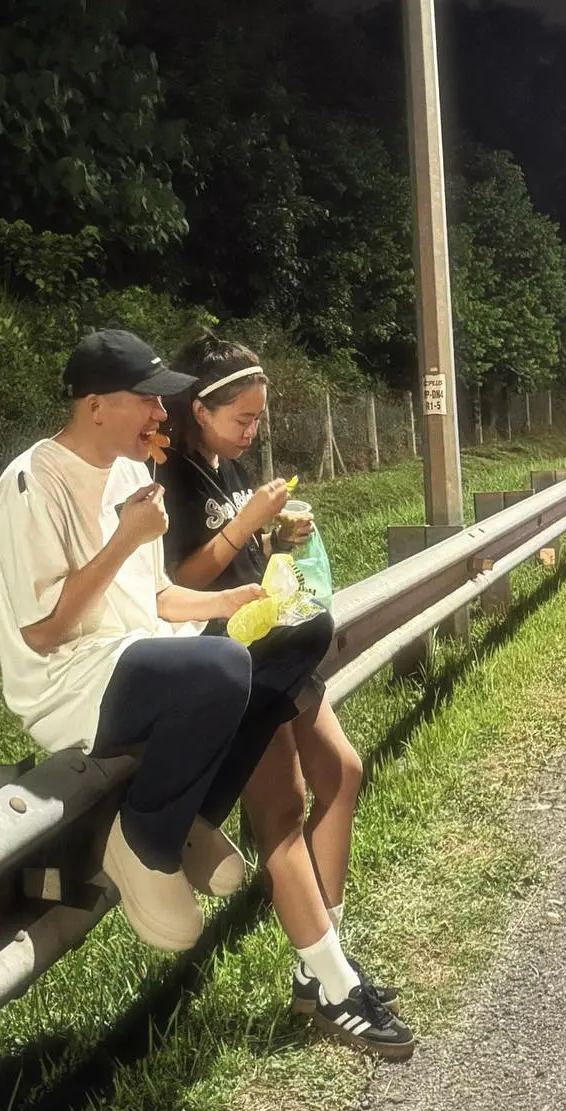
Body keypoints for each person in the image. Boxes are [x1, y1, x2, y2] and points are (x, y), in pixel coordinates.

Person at [0, 328, 331, 956]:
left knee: (290, 636)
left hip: (135, 652)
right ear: (95, 406)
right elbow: (44, 631)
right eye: (145, 399)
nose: (158, 412)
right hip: (70, 681)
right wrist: (125, 538)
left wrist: (233, 603)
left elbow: (156, 599)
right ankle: (145, 838)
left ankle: (192, 812)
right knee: (224, 665)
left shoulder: (126, 474)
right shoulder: (31, 482)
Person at [156, 332, 413, 1061]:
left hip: (278, 637)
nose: (252, 430)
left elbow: (242, 557)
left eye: (259, 418)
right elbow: (183, 580)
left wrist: (277, 536)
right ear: (196, 408)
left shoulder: (224, 463)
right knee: (282, 809)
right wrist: (247, 521)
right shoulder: (169, 475)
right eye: (240, 417)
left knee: (343, 771)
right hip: (235, 660)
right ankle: (330, 982)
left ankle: (320, 954)